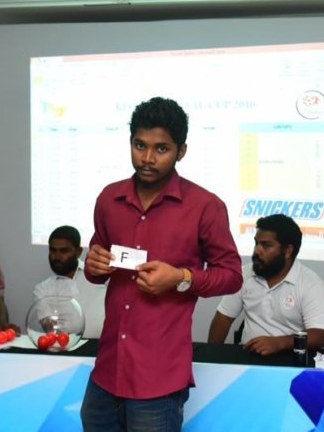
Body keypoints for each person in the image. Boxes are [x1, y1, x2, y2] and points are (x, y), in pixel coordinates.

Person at [81, 96, 242, 430]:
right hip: (106, 372)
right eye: (140, 145)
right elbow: (96, 266)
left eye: (161, 149)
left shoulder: (205, 206)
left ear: (181, 151)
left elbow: (232, 276)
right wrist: (93, 265)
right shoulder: (109, 199)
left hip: (159, 378)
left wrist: (181, 277)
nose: (147, 158)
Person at [208, 213, 324, 355]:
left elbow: (319, 335)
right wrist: (211, 356)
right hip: (249, 357)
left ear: (288, 251)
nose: (257, 251)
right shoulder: (244, 275)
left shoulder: (311, 283)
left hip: (291, 358)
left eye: (266, 245)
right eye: (256, 243)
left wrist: (279, 343)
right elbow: (223, 318)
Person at [32, 225, 106, 339]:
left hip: (104, 345)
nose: (57, 257)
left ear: (79, 252)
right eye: (53, 250)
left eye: (64, 251)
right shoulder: (42, 289)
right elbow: (50, 329)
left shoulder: (99, 275)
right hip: (65, 346)